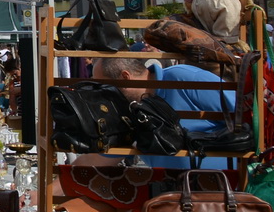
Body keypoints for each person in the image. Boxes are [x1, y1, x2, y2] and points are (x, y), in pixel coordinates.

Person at [95, 55, 234, 171]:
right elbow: (105, 156)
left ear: (125, 77)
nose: (102, 95)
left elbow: (242, 116)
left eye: (104, 87)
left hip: (226, 191)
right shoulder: (127, 109)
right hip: (173, 194)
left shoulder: (183, 78)